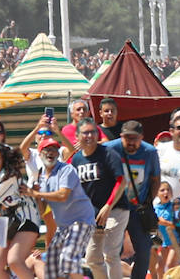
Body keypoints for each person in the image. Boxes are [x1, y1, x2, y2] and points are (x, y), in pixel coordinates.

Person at [26, 136, 97, 279]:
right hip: (64, 226)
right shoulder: (42, 177)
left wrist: (36, 192)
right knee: (51, 262)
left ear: (58, 154)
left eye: (54, 149)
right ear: (40, 154)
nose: (51, 152)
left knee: (68, 258)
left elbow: (62, 195)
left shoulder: (66, 169)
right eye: (47, 150)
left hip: (81, 221)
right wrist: (37, 197)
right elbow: (42, 210)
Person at [69, 118, 128, 279]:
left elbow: (121, 182)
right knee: (92, 258)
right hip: (93, 215)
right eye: (85, 132)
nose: (90, 135)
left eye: (93, 131)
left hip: (115, 209)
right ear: (77, 136)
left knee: (110, 254)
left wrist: (108, 206)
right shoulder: (77, 159)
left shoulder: (108, 153)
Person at [108, 121, 160, 279]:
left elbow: (156, 179)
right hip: (114, 208)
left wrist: (148, 202)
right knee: (112, 251)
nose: (130, 142)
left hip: (137, 209)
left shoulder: (149, 152)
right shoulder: (110, 149)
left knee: (144, 250)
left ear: (142, 137)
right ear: (120, 136)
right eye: (127, 138)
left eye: (134, 138)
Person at [0, 141, 40, 279]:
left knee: (14, 261)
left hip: (26, 218)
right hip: (5, 220)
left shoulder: (9, 175)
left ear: (4, 161)